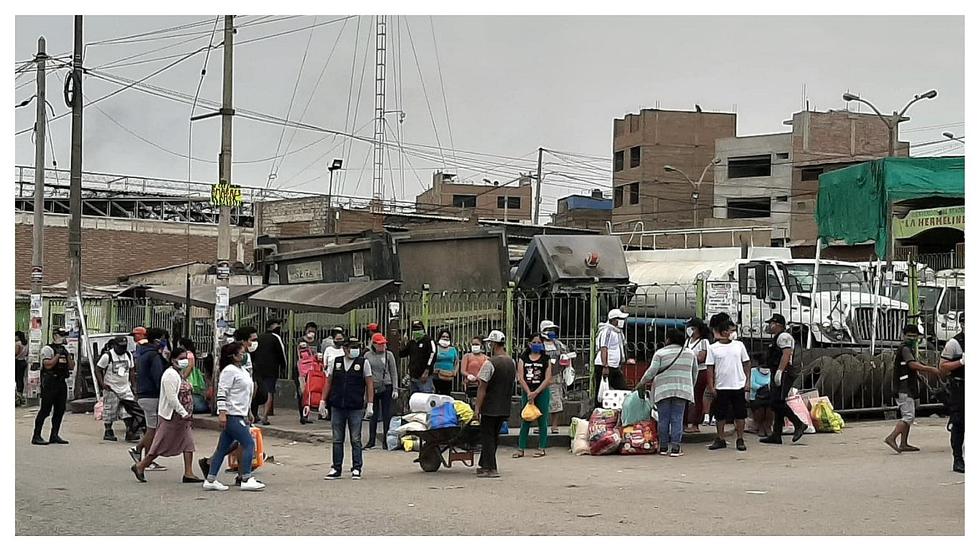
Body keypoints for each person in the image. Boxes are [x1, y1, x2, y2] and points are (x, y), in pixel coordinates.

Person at [131, 348, 203, 484]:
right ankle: (140, 466)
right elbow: (171, 398)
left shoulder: (179, 374)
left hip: (183, 418)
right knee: (159, 445)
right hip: (172, 416)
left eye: (185, 359)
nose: (184, 361)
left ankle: (188, 473)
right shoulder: (170, 375)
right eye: (181, 358)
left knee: (188, 444)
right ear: (173, 360)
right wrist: (183, 412)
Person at [202, 342, 265, 491]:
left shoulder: (242, 370)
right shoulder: (229, 371)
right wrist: (222, 412)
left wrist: (249, 412)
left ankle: (211, 479)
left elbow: (246, 394)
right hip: (232, 414)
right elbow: (222, 392)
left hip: (241, 412)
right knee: (248, 444)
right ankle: (246, 478)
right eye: (241, 353)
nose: (244, 356)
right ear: (233, 356)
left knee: (222, 448)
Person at [634, 329, 697, 456]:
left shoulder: (660, 353)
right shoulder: (690, 354)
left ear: (668, 339)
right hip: (682, 390)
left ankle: (663, 447)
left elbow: (651, 372)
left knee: (663, 419)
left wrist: (641, 383)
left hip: (663, 390)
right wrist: (689, 387)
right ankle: (675, 448)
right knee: (677, 419)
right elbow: (694, 373)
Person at [319, 337, 375, 480]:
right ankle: (336, 467)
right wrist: (322, 401)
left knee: (356, 439)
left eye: (356, 346)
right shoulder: (336, 362)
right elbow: (328, 382)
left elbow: (369, 384)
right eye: (351, 347)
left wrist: (370, 404)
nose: (354, 349)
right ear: (344, 349)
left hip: (355, 407)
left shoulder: (363, 363)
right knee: (337, 438)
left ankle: (356, 467)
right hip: (337, 406)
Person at [884, 325, 941, 454]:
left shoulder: (908, 349)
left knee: (909, 416)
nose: (912, 338)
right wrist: (930, 369)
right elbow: (912, 364)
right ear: (903, 335)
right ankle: (891, 437)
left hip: (907, 387)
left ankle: (903, 443)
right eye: (909, 335)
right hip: (903, 389)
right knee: (908, 417)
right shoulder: (905, 349)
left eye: (914, 336)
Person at [705, 318, 751, 451]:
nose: (733, 333)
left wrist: (747, 381)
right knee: (720, 414)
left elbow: (747, 363)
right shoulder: (713, 348)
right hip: (721, 386)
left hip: (738, 385)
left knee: (740, 414)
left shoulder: (739, 345)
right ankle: (720, 438)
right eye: (731, 330)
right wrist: (711, 385)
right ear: (724, 332)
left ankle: (740, 439)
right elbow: (710, 368)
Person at [760, 314, 807, 445]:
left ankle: (799, 424)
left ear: (778, 324)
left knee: (777, 402)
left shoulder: (784, 337)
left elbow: (786, 355)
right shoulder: (777, 338)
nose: (770, 326)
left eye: (771, 323)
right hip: (778, 371)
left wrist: (780, 371)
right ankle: (776, 435)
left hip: (784, 372)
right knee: (777, 402)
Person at [474, 330, 514, 479]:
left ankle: (491, 467)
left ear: (493, 344)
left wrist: (477, 407)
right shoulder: (512, 362)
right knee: (494, 436)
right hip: (504, 405)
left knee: (487, 437)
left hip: (490, 406)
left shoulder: (490, 363)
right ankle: (484, 465)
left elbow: (482, 387)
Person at [130, 328, 169, 470]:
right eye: (163, 339)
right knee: (153, 429)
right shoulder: (153, 356)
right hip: (152, 395)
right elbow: (158, 377)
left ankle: (141, 451)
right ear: (158, 340)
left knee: (152, 428)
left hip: (143, 394)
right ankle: (144, 456)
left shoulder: (143, 353)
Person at [95, 336, 146, 442]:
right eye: (120, 346)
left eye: (124, 346)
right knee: (110, 410)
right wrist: (102, 384)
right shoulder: (107, 356)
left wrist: (133, 385)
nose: (122, 349)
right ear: (114, 345)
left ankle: (130, 431)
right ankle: (108, 431)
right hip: (111, 388)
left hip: (125, 387)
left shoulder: (128, 355)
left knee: (129, 410)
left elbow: (131, 370)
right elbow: (98, 369)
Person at [514, 333, 553, 458]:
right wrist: (529, 393)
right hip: (527, 392)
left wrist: (536, 392)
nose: (537, 345)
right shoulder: (523, 358)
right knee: (526, 419)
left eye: (539, 342)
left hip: (542, 392)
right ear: (529, 344)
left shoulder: (546, 359)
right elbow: (520, 377)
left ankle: (541, 448)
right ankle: (521, 448)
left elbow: (548, 378)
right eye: (534, 342)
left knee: (542, 420)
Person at [32, 328, 73, 445]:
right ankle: (36, 435)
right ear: (55, 336)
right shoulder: (48, 349)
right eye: (61, 335)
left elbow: (71, 366)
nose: (64, 338)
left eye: (64, 335)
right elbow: (48, 365)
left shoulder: (65, 350)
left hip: (61, 382)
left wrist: (67, 354)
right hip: (50, 382)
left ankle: (54, 435)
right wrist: (58, 355)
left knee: (60, 410)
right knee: (45, 410)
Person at [938, 313, 965, 474]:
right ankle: (958, 459)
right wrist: (961, 362)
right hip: (960, 387)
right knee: (960, 423)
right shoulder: (954, 343)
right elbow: (942, 367)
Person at [364, 333, 398, 449]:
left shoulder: (389, 355)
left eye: (383, 344)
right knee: (373, 414)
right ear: (373, 344)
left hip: (386, 386)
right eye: (379, 344)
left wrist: (395, 388)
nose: (382, 346)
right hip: (373, 387)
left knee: (386, 414)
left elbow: (394, 372)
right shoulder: (367, 355)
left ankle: (385, 441)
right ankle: (371, 440)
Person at [593, 308, 632, 408]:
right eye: (619, 319)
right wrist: (605, 366)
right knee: (601, 392)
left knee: (623, 390)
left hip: (614, 366)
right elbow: (604, 349)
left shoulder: (618, 332)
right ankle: (598, 411)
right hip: (605, 365)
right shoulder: (607, 331)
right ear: (613, 320)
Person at [252, 319, 287, 426]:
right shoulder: (276, 337)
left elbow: (252, 352)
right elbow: (282, 353)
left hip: (257, 368)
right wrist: (284, 366)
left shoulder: (258, 338)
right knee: (269, 391)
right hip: (271, 369)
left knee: (256, 390)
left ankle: (255, 414)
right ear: (272, 327)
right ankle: (265, 417)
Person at [683, 318, 711, 433]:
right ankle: (684, 423)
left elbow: (702, 358)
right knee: (685, 397)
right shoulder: (687, 341)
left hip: (700, 371)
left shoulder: (704, 342)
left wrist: (689, 358)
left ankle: (695, 424)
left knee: (697, 397)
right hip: (688, 371)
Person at [540, 320, 567, 428]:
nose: (551, 332)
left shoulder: (558, 344)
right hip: (541, 377)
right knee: (542, 402)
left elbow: (565, 356)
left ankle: (554, 426)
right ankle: (542, 425)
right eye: (549, 330)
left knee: (556, 401)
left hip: (555, 376)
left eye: (552, 330)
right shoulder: (539, 343)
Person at [402, 320, 436, 395]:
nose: (416, 331)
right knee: (414, 400)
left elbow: (433, 355)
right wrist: (403, 342)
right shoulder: (412, 342)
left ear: (423, 329)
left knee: (425, 399)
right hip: (413, 378)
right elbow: (402, 354)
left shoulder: (429, 341)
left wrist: (427, 370)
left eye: (418, 329)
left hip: (424, 378)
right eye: (414, 329)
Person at [748, 365, 774, 438]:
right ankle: (760, 426)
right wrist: (761, 387)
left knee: (770, 408)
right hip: (756, 396)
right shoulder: (753, 371)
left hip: (769, 394)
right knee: (760, 408)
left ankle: (767, 426)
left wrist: (767, 388)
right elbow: (752, 384)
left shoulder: (772, 371)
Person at [432, 329, 459, 396]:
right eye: (443, 336)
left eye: (447, 337)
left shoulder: (453, 349)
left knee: (446, 396)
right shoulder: (435, 348)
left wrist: (455, 371)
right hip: (436, 377)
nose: (445, 338)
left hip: (448, 377)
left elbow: (457, 362)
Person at [461, 336, 487, 404]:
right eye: (473, 344)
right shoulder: (467, 356)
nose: (475, 346)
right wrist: (469, 375)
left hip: (481, 385)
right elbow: (462, 370)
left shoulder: (486, 358)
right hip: (470, 384)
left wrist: (479, 378)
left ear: (481, 345)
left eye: (477, 344)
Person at [15, 331, 28, 405]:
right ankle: (21, 392)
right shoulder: (25, 344)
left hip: (17, 361)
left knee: (17, 378)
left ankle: (18, 394)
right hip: (23, 361)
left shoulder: (18, 343)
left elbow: (16, 352)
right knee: (21, 378)